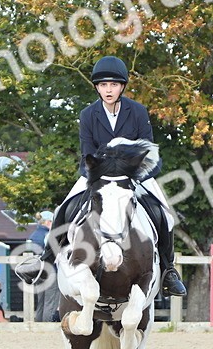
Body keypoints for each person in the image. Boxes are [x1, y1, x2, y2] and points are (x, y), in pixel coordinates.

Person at [14, 55, 187, 297]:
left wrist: (134, 175)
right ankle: (46, 261)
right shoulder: (88, 114)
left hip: (134, 175)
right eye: (103, 85)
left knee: (164, 214)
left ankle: (168, 270)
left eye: (113, 85)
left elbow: (148, 150)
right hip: (98, 175)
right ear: (97, 87)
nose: (108, 90)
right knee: (64, 208)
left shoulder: (137, 111)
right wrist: (98, 176)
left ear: (122, 86)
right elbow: (87, 153)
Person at [30, 210, 61, 322]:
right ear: (48, 222)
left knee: (41, 303)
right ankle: (48, 327)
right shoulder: (49, 235)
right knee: (50, 303)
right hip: (50, 271)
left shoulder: (33, 235)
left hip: (38, 273)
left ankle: (38, 326)